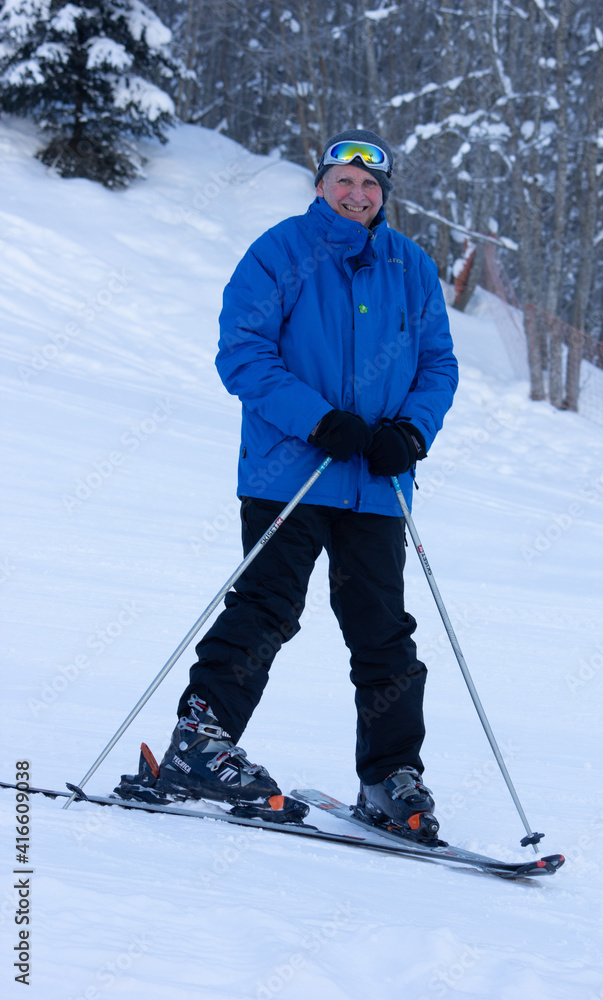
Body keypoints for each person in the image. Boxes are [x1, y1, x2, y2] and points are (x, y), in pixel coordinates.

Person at [118, 129, 459, 839]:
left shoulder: (412, 265)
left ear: (383, 194)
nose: (356, 194)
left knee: (383, 632)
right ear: (321, 184)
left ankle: (390, 776)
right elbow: (242, 353)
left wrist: (412, 432)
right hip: (290, 473)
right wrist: (318, 419)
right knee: (266, 607)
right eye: (344, 180)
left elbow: (438, 365)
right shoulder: (279, 251)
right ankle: (200, 745)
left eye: (370, 184)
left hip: (377, 482)